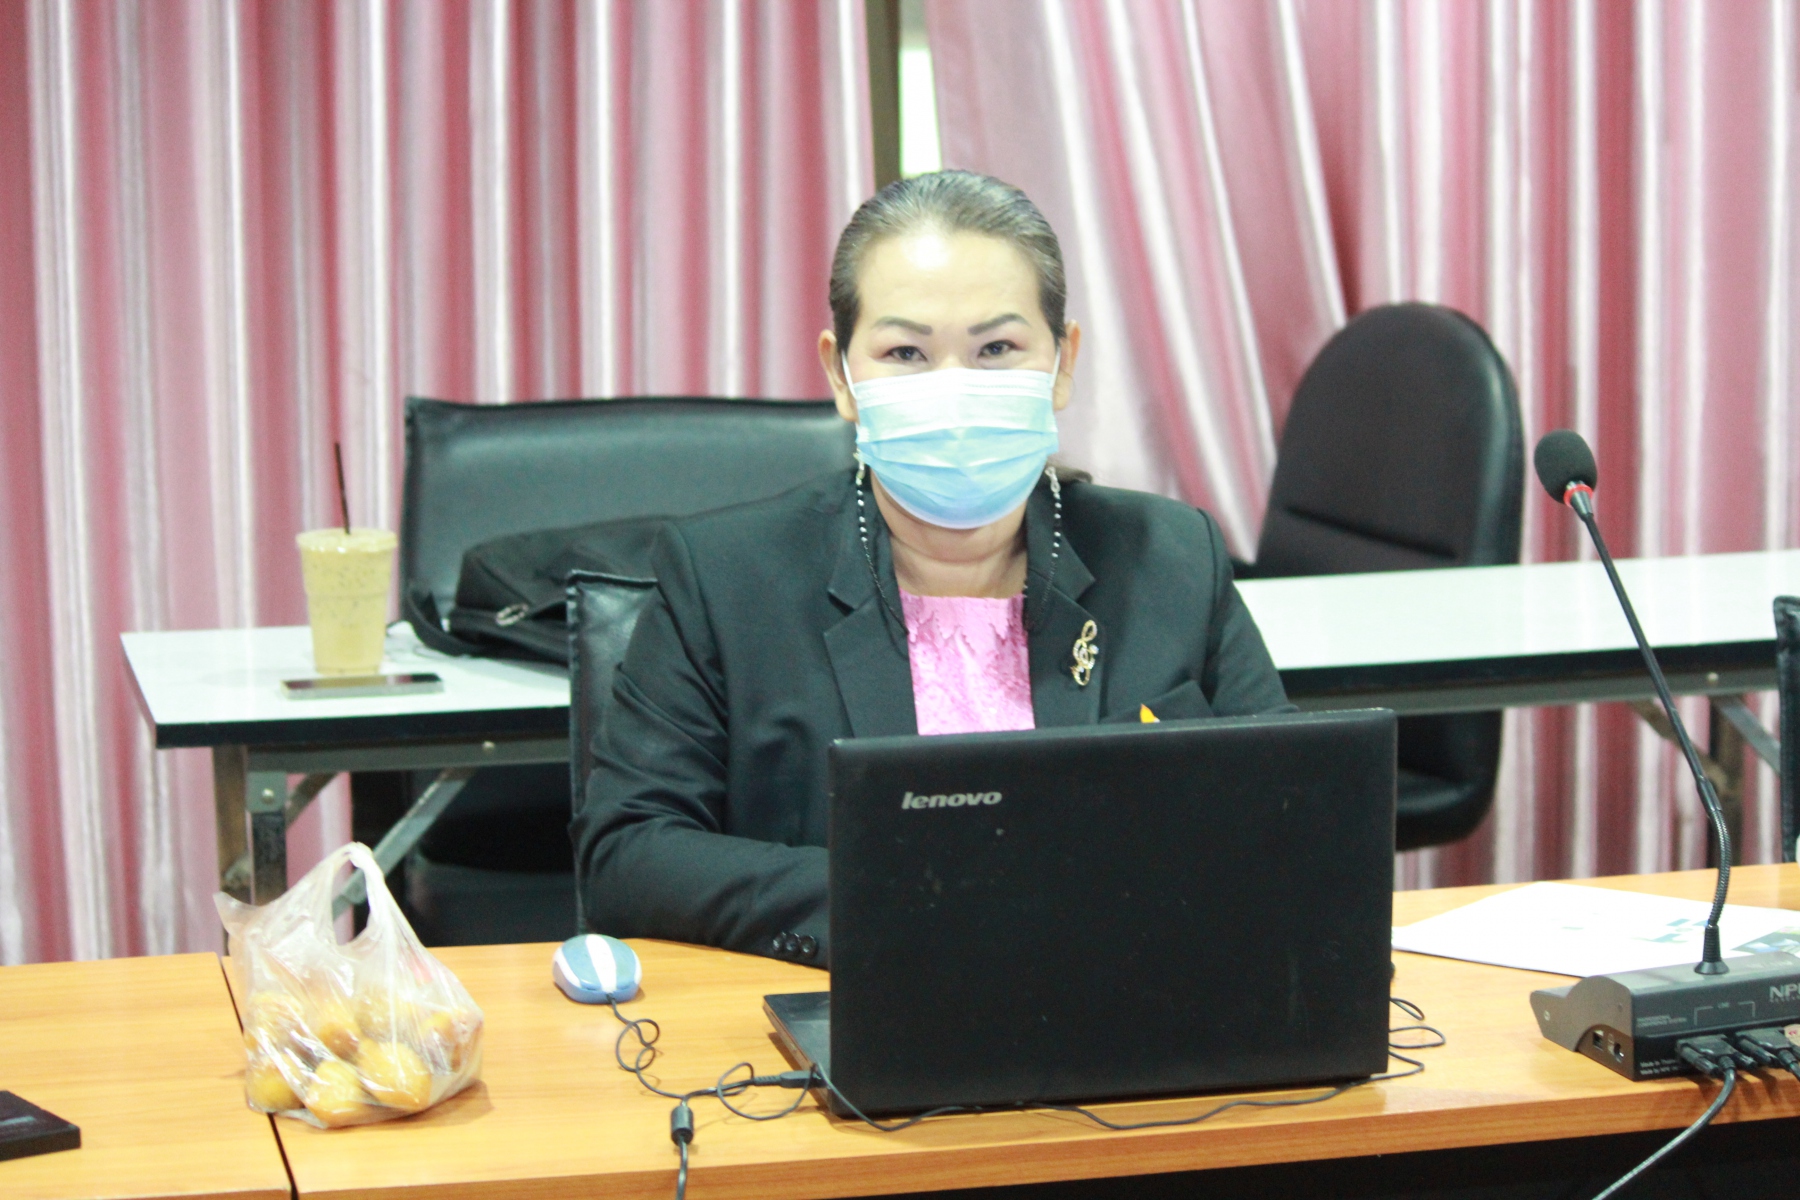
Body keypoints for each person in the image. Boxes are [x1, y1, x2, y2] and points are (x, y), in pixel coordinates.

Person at [570, 170, 1290, 966]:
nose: (954, 389)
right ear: (841, 374)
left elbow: (1292, 815)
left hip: (1126, 997)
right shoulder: (727, 577)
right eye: (906, 352)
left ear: (1062, 362)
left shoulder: (1172, 557)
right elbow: (628, 857)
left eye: (997, 349)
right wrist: (912, 897)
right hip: (855, 1008)